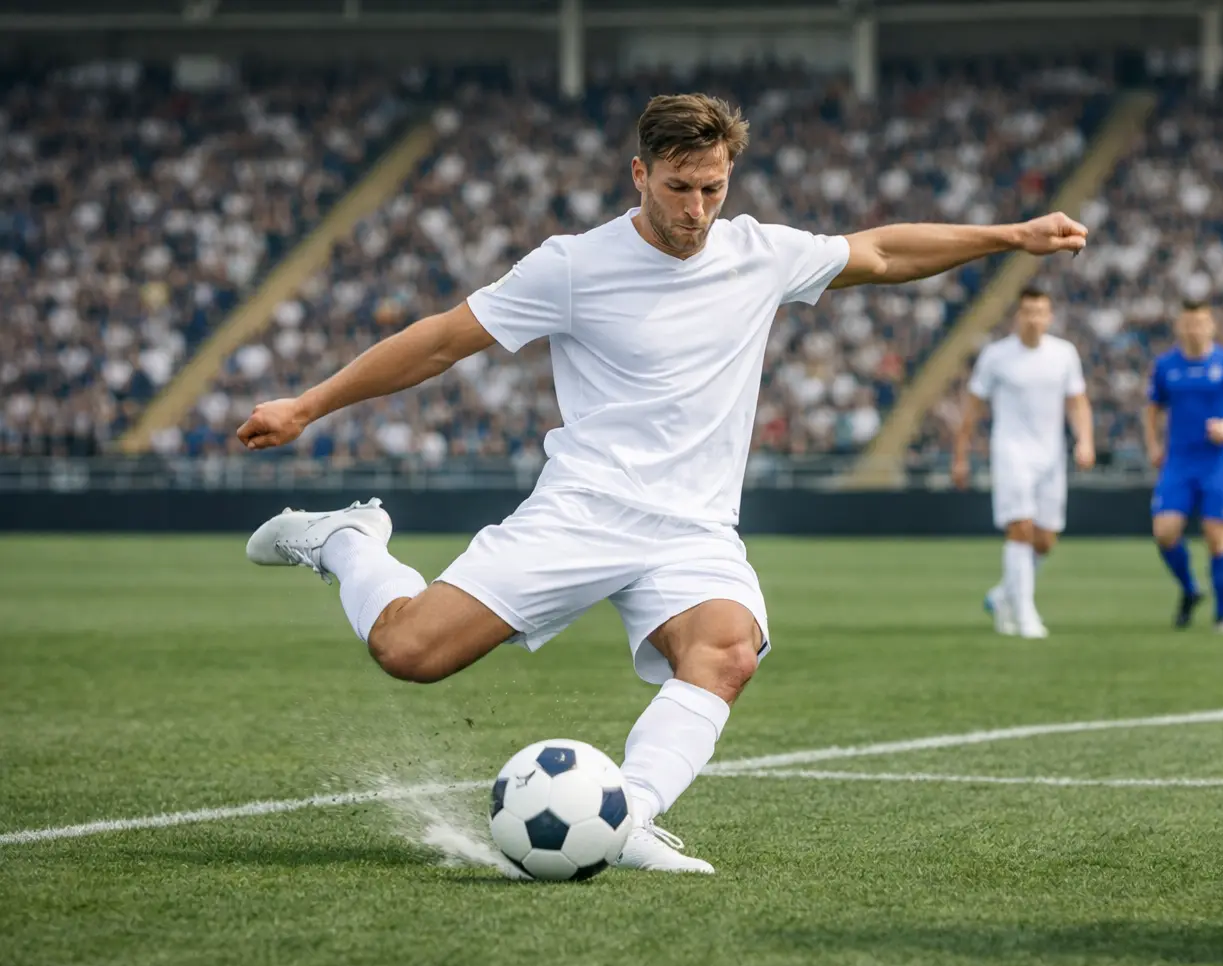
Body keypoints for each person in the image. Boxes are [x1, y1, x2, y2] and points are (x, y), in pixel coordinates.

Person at [237, 93, 1088, 875]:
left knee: (726, 648)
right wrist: (308, 406)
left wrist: (1009, 235)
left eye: (713, 189)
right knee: (408, 651)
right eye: (680, 188)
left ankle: (628, 817)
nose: (697, 211)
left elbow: (883, 251)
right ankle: (348, 540)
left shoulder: (759, 253)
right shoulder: (571, 266)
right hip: (585, 510)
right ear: (640, 174)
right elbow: (440, 341)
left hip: (693, 531)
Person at [951, 287, 1093, 638]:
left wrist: (1085, 440)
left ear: (1050, 316)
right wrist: (960, 455)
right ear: (1018, 316)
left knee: (1045, 540)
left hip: (1051, 455)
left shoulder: (1064, 354)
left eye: (1040, 311)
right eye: (1027, 311)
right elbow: (972, 408)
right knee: (1021, 528)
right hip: (1011, 451)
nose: (1033, 318)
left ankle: (1002, 596)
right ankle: (1025, 613)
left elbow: (1077, 402)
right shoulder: (996, 356)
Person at [1142, 300, 1223, 632]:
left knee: (1216, 535)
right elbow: (1153, 406)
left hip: (1219, 461)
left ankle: (1222, 616)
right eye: (1187, 323)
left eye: (1199, 322)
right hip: (1179, 460)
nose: (1193, 328)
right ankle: (1191, 588)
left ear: (1211, 326)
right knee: (1164, 532)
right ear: (1179, 327)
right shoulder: (1166, 365)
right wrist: (1153, 445)